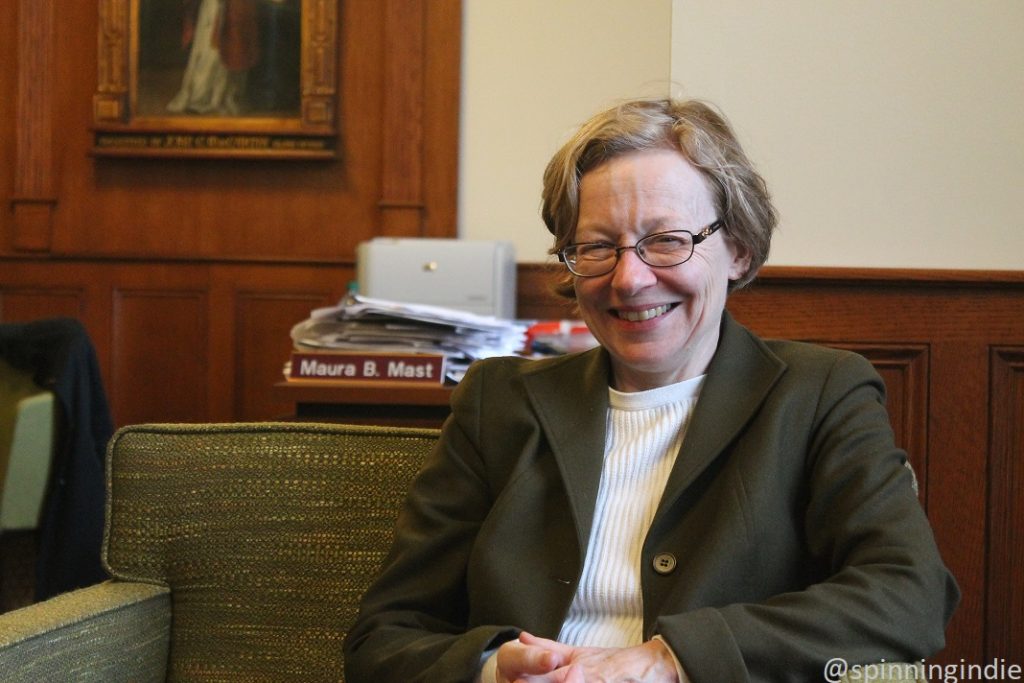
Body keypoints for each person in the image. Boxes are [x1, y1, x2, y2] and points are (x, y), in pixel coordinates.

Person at [343, 98, 960, 682]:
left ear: (738, 250)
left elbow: (907, 594)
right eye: (597, 247)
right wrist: (493, 668)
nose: (630, 278)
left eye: (667, 241)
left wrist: (672, 660)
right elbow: (386, 638)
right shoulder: (498, 404)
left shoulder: (819, 394)